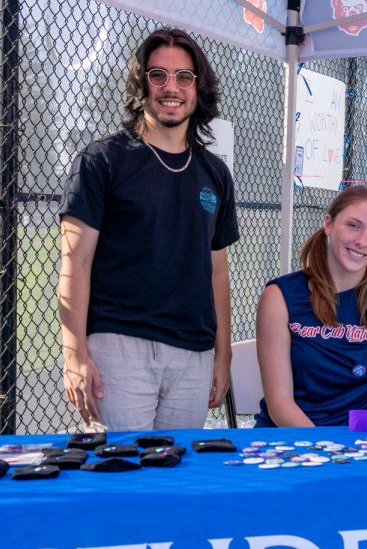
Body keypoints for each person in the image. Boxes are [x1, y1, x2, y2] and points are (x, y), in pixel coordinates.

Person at [58, 28, 238, 431]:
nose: (170, 87)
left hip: (193, 353)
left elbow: (218, 272)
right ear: (142, 84)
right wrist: (75, 354)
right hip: (119, 346)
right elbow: (76, 261)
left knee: (176, 480)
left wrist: (222, 356)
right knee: (121, 478)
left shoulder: (215, 174)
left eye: (183, 77)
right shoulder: (101, 161)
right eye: (158, 75)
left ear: (198, 87)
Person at [255, 186, 367, 427]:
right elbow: (280, 404)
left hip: (362, 446)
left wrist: (359, 454)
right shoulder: (279, 296)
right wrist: (326, 455)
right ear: (328, 224)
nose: (362, 241)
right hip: (290, 441)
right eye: (353, 225)